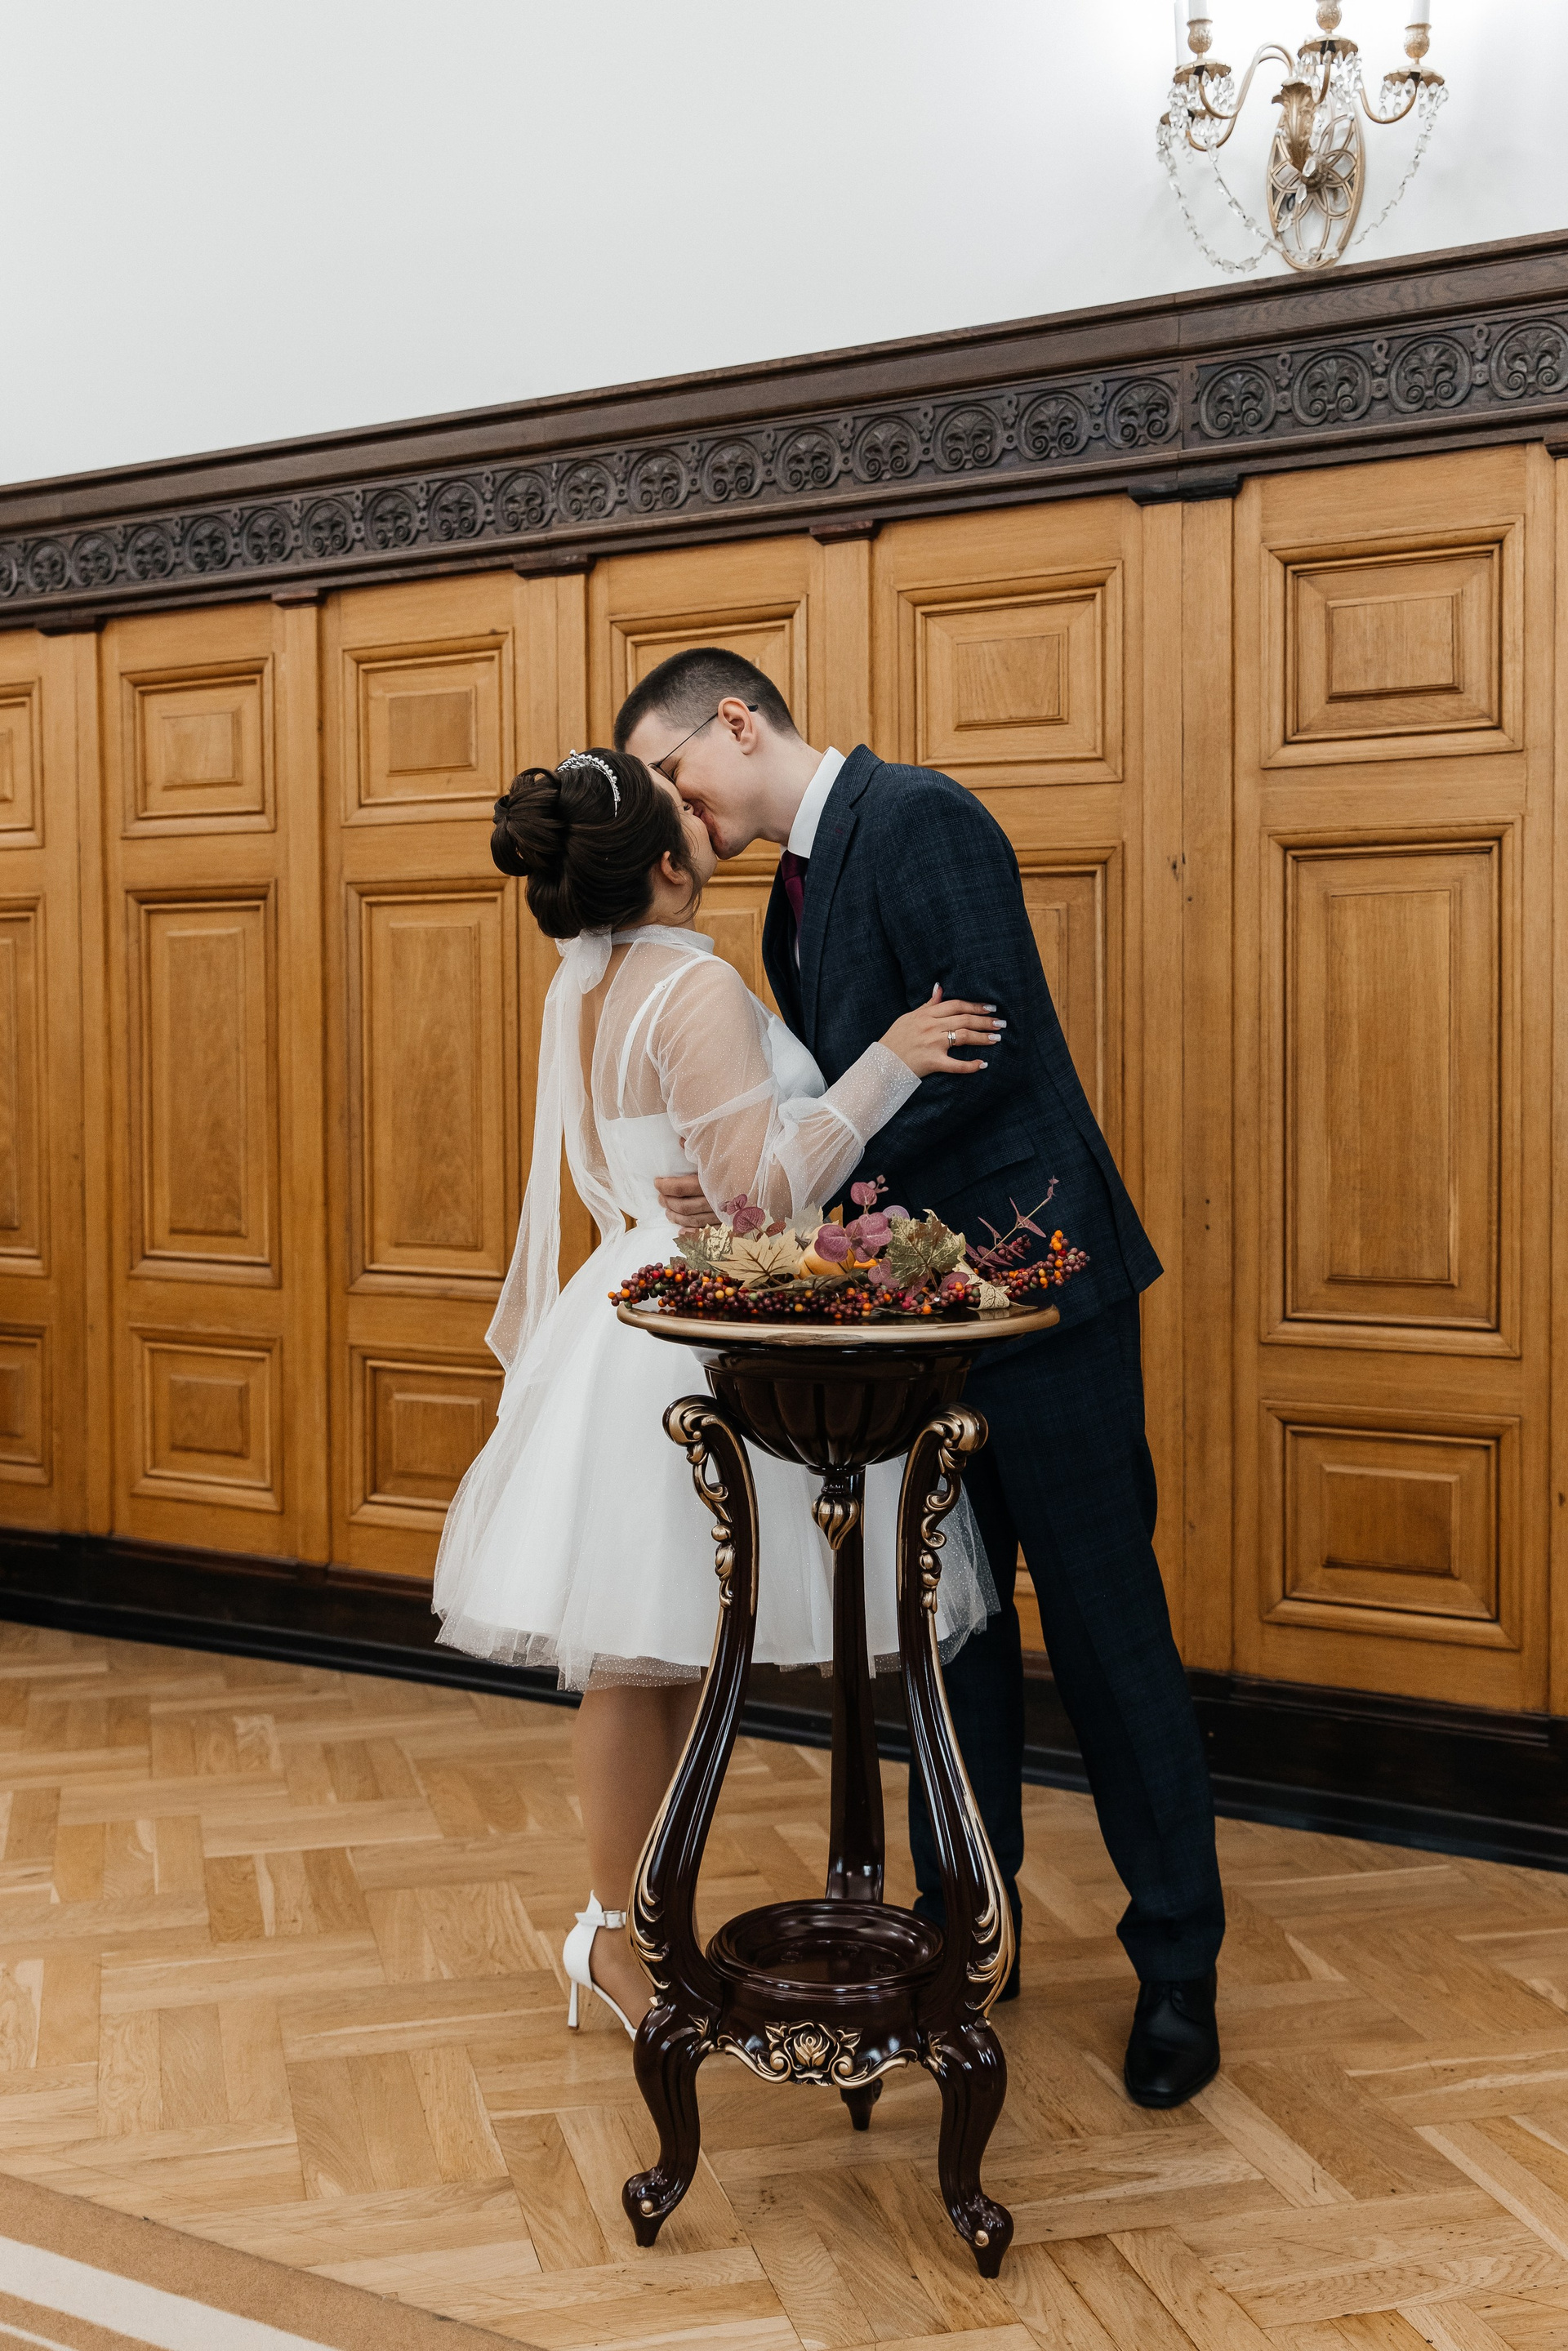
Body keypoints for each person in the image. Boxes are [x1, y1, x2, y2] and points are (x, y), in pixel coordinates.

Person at [617, 650, 1226, 2108]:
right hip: (916, 1321)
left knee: (1108, 1636)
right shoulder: (787, 897)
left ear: (738, 723)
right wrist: (756, 1183)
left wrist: (804, 1181)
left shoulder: (922, 816)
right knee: (954, 1643)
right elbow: (828, 1103)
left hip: (1043, 1294)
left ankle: (1178, 1969)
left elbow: (985, 1052)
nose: (679, 813)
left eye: (675, 774)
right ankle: (968, 1940)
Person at [433, 745, 1004, 2036]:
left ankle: (627, 1929)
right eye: (683, 809)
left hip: (637, 1303)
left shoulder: (588, 982)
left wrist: (707, 1187)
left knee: (657, 1657)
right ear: (664, 862)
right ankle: (617, 1938)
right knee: (650, 1662)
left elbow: (676, 1175)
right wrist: (890, 1061)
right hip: (692, 1331)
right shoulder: (687, 985)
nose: (705, 816)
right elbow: (757, 1196)